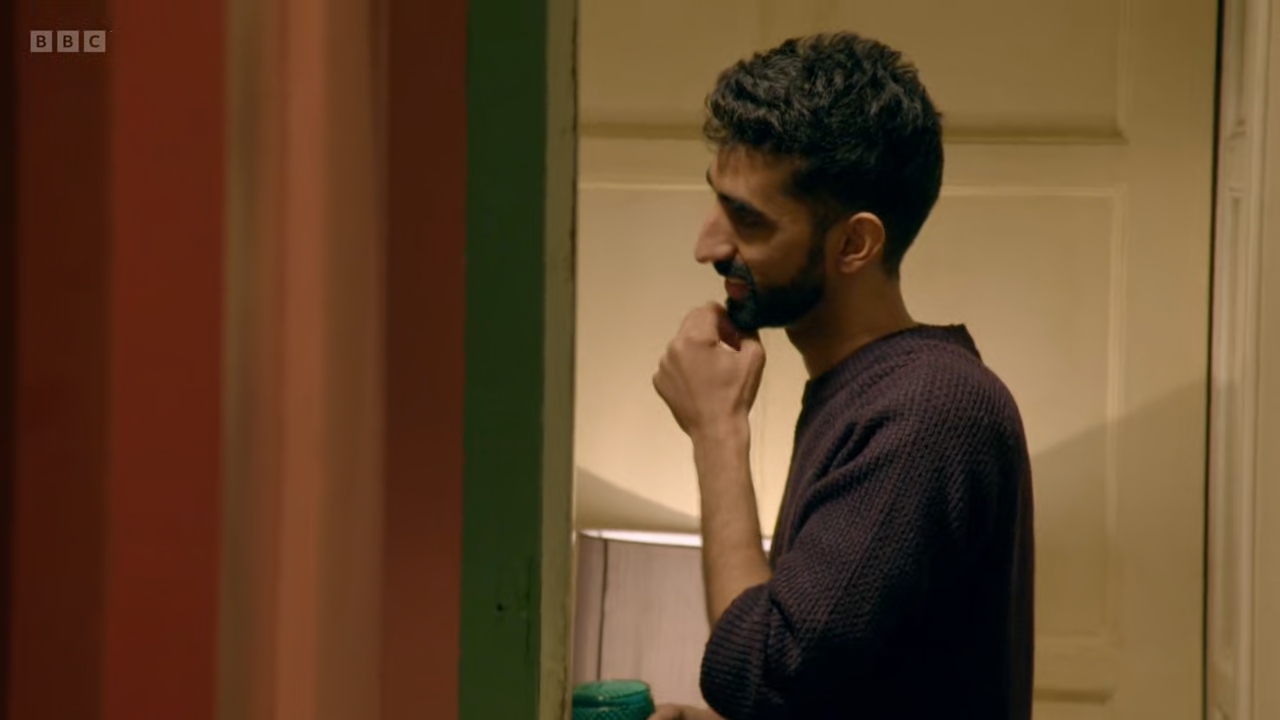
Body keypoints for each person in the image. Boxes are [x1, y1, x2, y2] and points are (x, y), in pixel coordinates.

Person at [647, 31, 1036, 720]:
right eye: (717, 201)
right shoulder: (870, 392)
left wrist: (717, 432)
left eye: (747, 220)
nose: (706, 245)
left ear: (855, 243)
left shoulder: (929, 410)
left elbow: (765, 679)